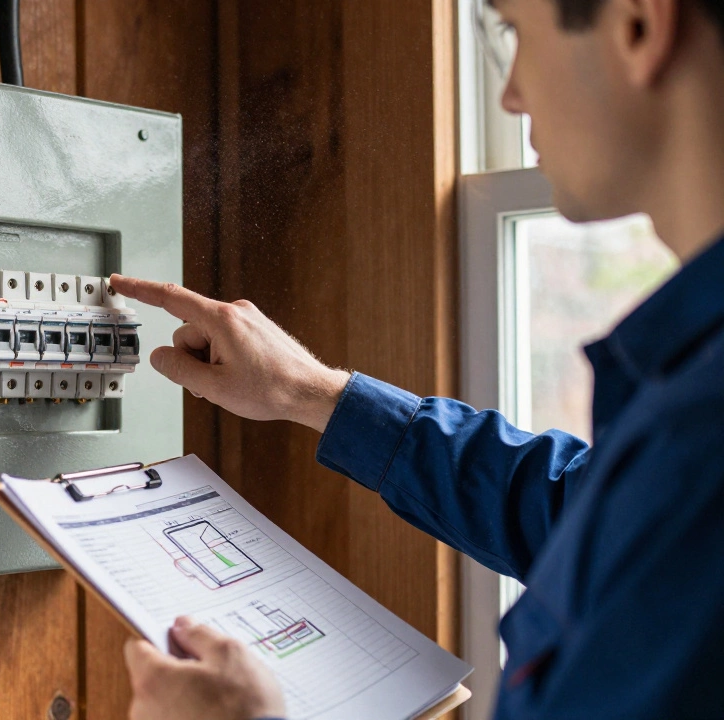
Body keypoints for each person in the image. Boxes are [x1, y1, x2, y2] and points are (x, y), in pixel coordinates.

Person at [110, 0, 724, 716]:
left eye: (515, 33)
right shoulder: (688, 411)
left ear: (638, 27)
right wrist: (315, 393)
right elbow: (565, 509)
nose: (510, 92)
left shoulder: (704, 441)